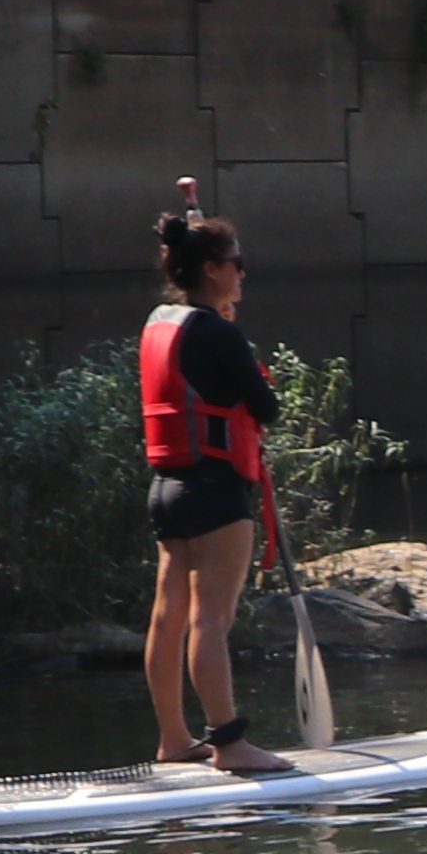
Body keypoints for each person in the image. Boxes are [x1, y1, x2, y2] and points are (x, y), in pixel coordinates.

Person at [139, 185, 296, 776]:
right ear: (211, 269)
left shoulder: (163, 319)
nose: (243, 273)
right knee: (211, 620)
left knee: (168, 615)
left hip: (167, 490)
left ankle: (174, 739)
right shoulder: (218, 332)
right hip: (214, 492)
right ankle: (230, 744)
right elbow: (265, 407)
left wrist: (221, 320)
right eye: (236, 264)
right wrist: (237, 344)